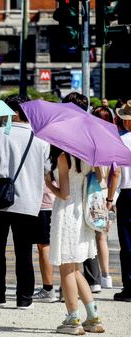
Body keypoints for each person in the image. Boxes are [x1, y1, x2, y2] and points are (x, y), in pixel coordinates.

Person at [0, 95, 50, 309]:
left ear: (13, 113)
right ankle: (24, 298)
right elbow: (47, 170)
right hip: (29, 202)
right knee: (24, 252)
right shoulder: (41, 139)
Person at [45, 152, 106, 334]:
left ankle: (73, 319)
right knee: (75, 268)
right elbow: (100, 177)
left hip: (67, 213)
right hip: (84, 214)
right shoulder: (89, 155)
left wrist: (49, 184)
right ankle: (93, 316)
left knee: (66, 268)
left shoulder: (63, 157)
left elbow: (64, 194)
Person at [63, 92, 102, 293]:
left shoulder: (62, 138)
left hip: (67, 201)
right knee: (86, 241)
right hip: (86, 196)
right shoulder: (92, 135)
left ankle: (69, 292)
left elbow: (61, 184)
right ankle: (93, 281)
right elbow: (101, 176)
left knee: (68, 254)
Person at [107, 103, 131, 302]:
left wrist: (109, 198)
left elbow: (115, 173)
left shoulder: (121, 141)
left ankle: (129, 287)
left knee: (128, 244)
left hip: (128, 194)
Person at [89, 106, 114, 290]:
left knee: (93, 235)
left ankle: (95, 278)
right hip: (108, 193)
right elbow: (117, 172)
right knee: (102, 236)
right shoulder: (113, 139)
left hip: (94, 192)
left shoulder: (93, 140)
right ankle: (105, 276)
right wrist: (111, 199)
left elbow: (97, 169)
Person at [32, 150, 58, 303]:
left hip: (44, 204)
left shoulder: (45, 155)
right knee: (57, 246)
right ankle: (66, 286)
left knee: (44, 246)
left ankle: (48, 288)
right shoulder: (65, 155)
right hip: (60, 204)